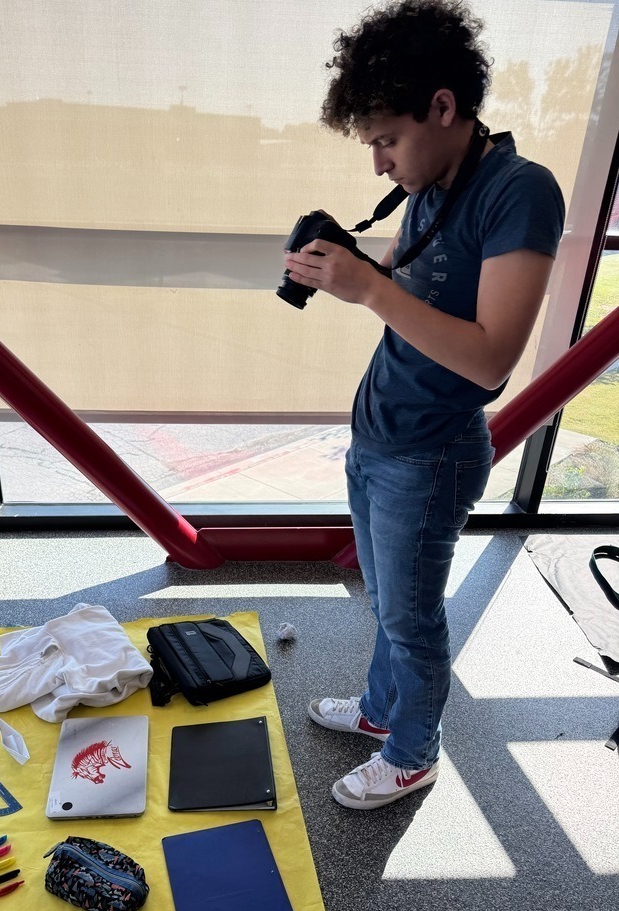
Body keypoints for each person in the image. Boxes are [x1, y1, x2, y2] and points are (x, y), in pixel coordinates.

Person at [284, 0, 565, 810]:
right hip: (379, 439)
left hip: (430, 454)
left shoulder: (521, 191)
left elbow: (488, 358)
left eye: (385, 139)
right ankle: (380, 712)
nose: (377, 164)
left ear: (443, 107)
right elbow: (425, 305)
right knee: (388, 604)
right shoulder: (433, 183)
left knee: (412, 621)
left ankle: (412, 754)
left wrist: (370, 287)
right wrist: (354, 273)